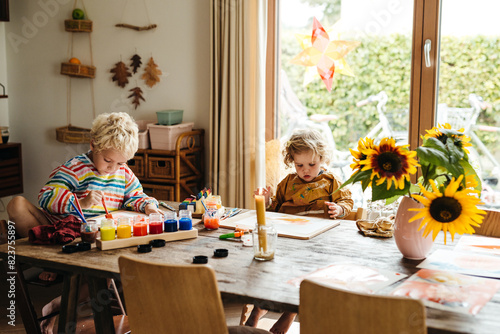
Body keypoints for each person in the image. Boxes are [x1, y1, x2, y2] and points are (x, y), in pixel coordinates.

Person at [7, 112, 163, 334]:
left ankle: (57, 306)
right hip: (64, 232)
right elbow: (46, 196)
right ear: (93, 146)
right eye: (108, 160)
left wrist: (149, 206)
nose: (112, 168)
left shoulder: (123, 174)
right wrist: (79, 200)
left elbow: (136, 195)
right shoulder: (75, 168)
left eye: (120, 162)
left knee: (104, 282)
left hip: (95, 243)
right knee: (17, 204)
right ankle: (51, 263)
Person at [246, 128, 354, 334]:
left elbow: (347, 201)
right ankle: (259, 307)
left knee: (304, 273)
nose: (305, 170)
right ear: (292, 162)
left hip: (318, 241)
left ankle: (290, 312)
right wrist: (267, 201)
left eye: (312, 165)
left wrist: (339, 209)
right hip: (289, 237)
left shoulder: (331, 181)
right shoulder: (287, 183)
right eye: (299, 165)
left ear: (322, 159)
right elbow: (274, 210)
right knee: (267, 269)